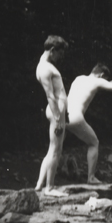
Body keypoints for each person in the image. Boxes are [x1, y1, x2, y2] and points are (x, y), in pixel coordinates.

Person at [66, 63, 112, 183]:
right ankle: (91, 178)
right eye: (104, 79)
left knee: (55, 149)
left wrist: (107, 83)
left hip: (63, 116)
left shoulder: (79, 78)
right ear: (101, 75)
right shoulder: (98, 82)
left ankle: (47, 181)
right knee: (94, 143)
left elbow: (89, 89)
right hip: (76, 117)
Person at [34, 35, 70, 197]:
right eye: (60, 53)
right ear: (53, 50)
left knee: (52, 149)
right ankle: (49, 187)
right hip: (56, 110)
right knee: (56, 149)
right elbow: (50, 95)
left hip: (59, 110)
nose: (61, 57)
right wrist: (57, 118)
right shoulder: (44, 68)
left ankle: (39, 185)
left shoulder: (45, 65)